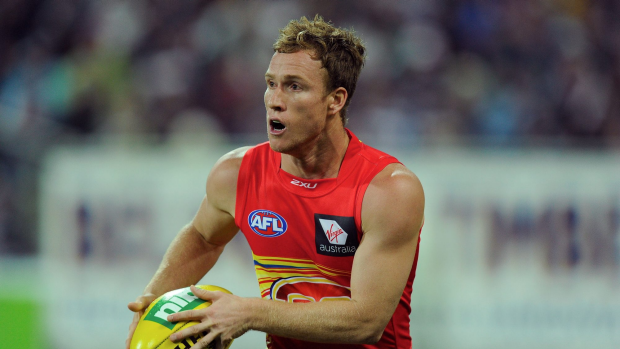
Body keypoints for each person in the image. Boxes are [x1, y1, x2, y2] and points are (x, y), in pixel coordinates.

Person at [126, 15, 424, 349]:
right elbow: (203, 238)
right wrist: (152, 301)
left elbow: (366, 322)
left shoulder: (388, 190)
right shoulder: (237, 173)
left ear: (335, 100)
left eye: (294, 86)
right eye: (271, 83)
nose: (274, 100)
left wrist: (249, 312)